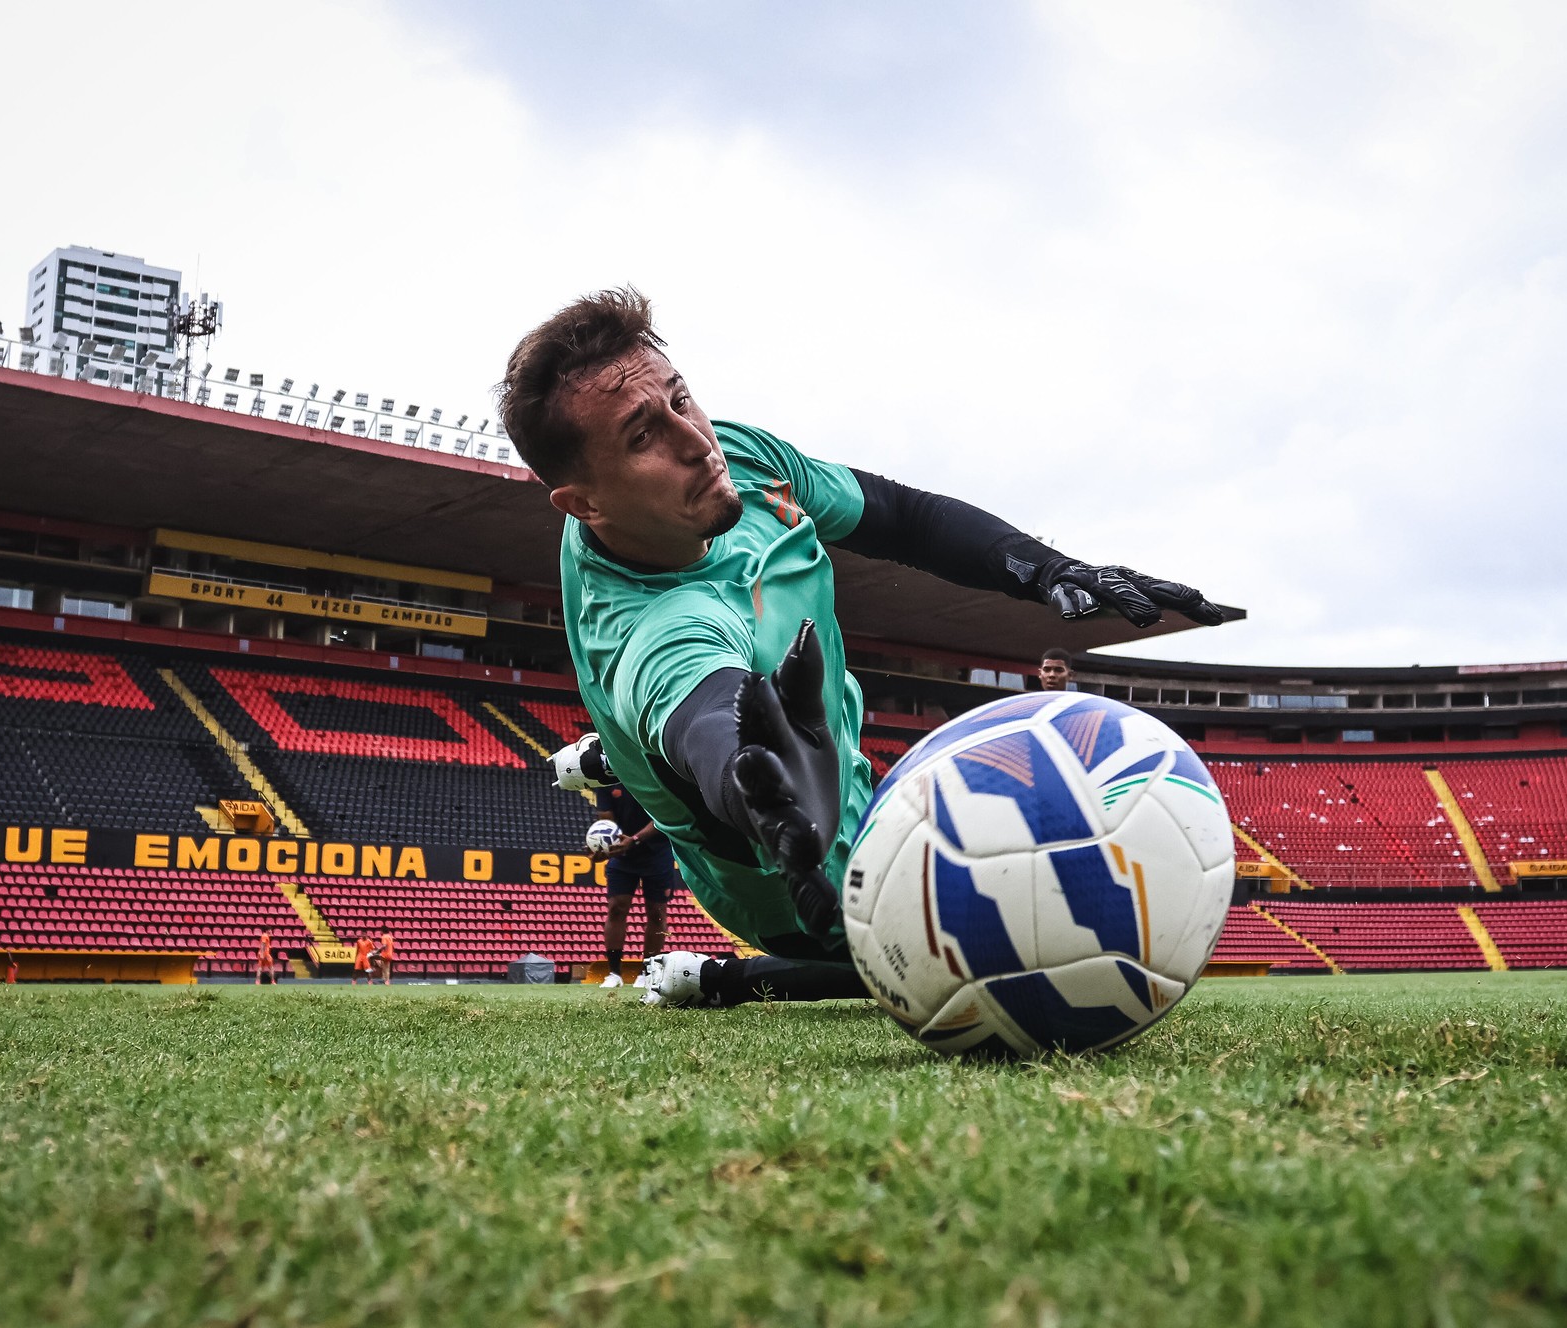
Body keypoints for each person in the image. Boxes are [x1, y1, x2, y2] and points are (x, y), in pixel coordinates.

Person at [504, 288, 1227, 1009]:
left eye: (680, 399)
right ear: (585, 504)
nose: (696, 441)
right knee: (1013, 942)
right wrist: (770, 791)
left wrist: (1046, 568)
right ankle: (724, 975)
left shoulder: (741, 462)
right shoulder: (653, 630)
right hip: (788, 875)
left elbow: (901, 517)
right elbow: (704, 716)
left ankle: (606, 757)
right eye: (642, 438)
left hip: (845, 763)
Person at [594, 782, 675, 988]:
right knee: (616, 908)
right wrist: (605, 847)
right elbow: (607, 821)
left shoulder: (651, 774)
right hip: (623, 854)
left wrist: (635, 839)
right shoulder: (605, 779)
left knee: (656, 914)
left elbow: (662, 817)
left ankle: (647, 972)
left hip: (657, 852)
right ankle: (614, 973)